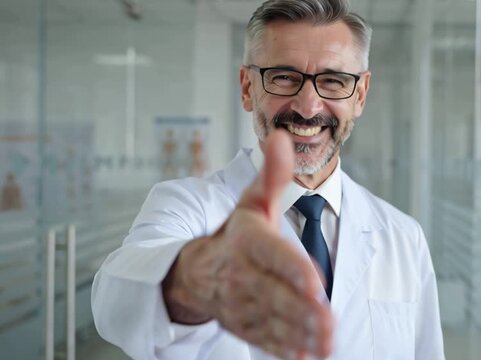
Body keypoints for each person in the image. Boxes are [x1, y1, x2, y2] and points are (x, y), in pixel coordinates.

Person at [91, 0, 444, 359]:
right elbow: (114, 301)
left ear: (360, 95)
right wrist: (197, 278)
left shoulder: (403, 237)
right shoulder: (187, 206)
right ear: (247, 87)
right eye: (284, 77)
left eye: (334, 81)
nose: (308, 106)